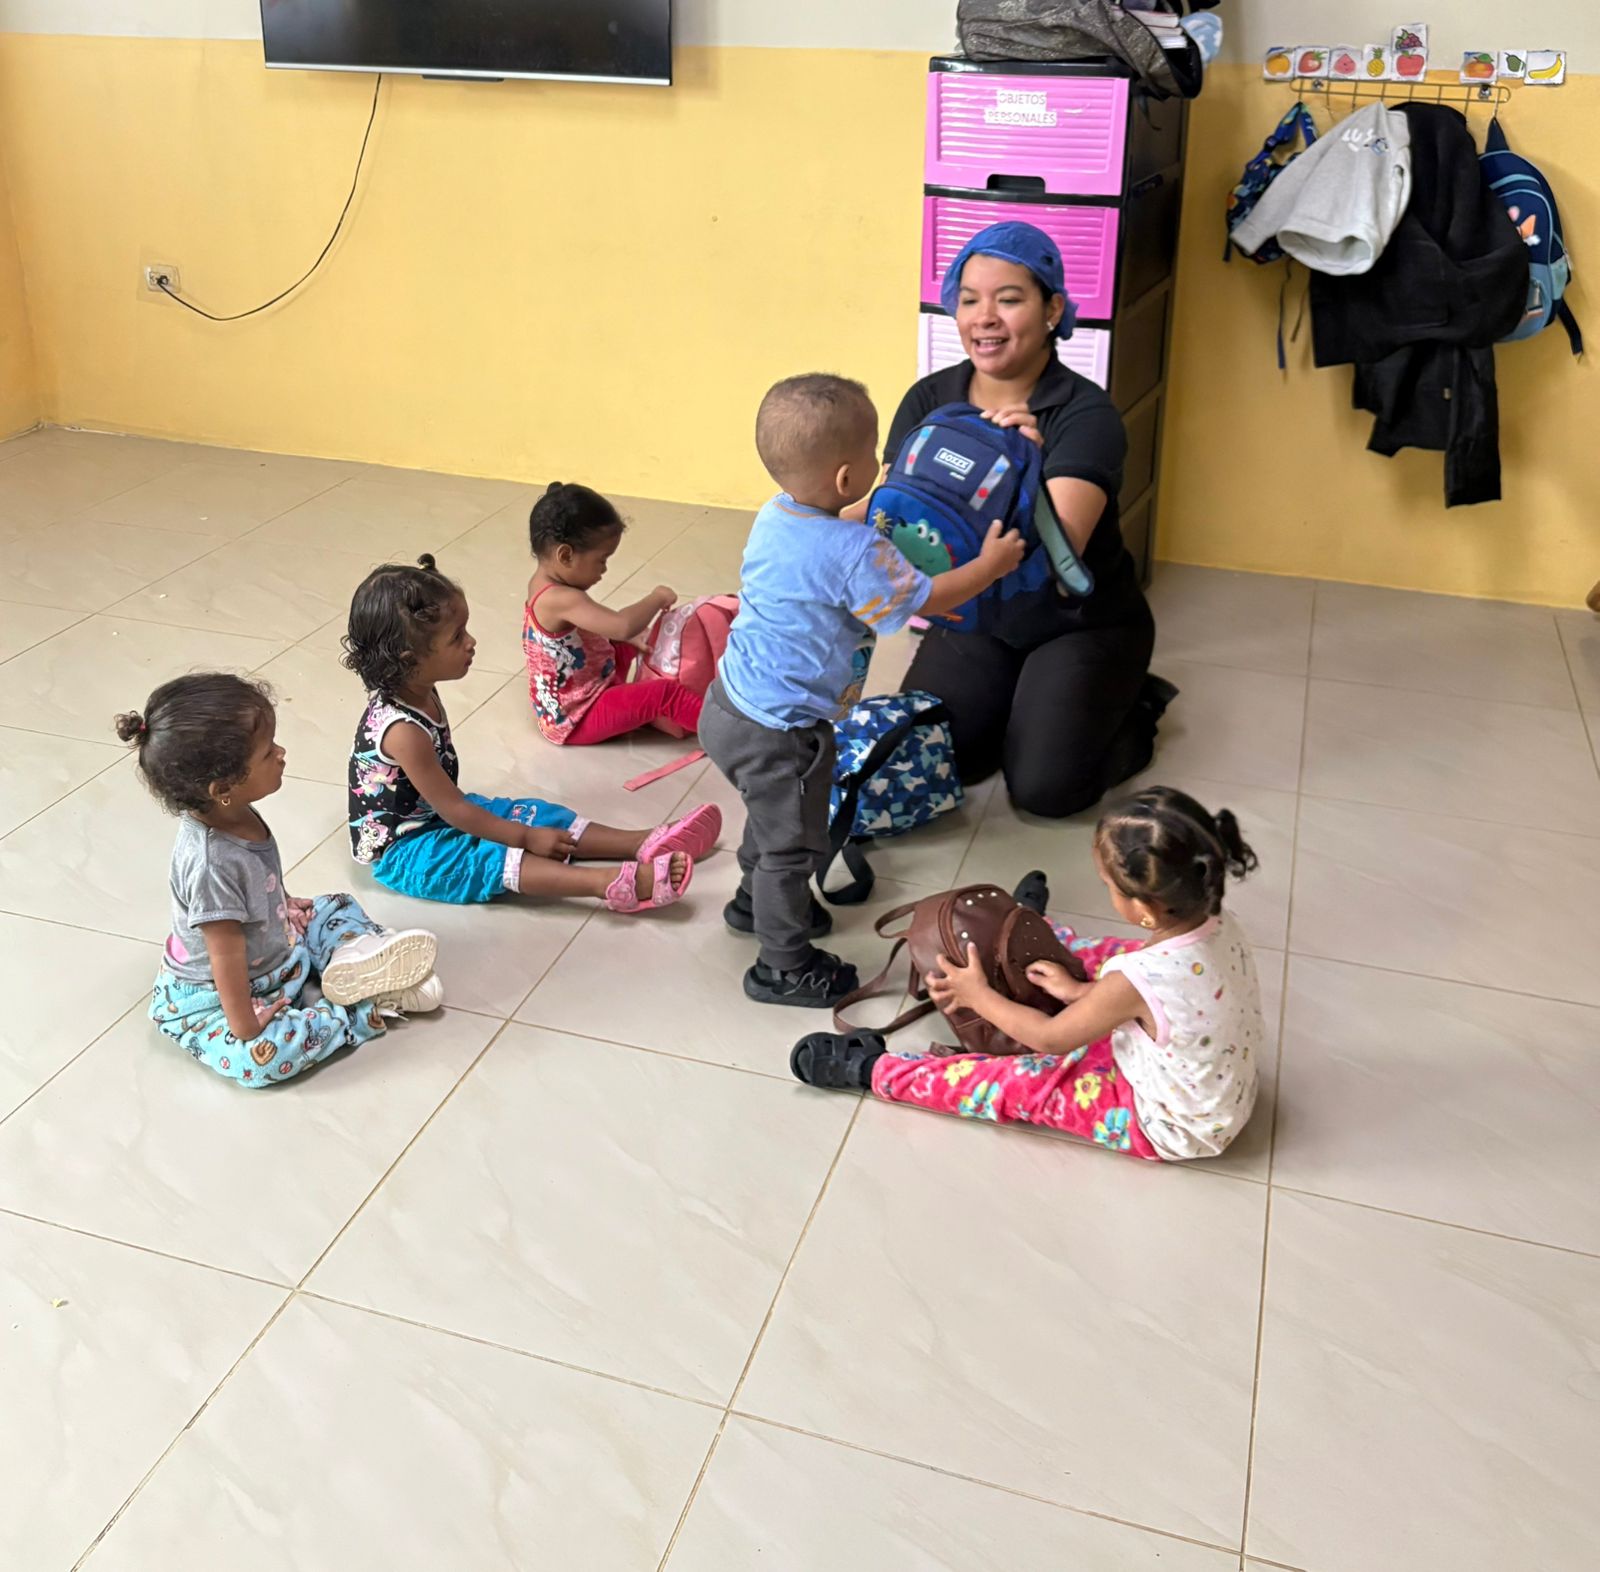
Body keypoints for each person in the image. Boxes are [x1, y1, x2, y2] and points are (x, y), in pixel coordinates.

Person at [701, 373, 1026, 1008]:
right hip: (782, 733)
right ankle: (782, 966)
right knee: (792, 847)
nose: (882, 464)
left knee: (772, 821)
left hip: (729, 706)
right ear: (847, 478)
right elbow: (925, 597)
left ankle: (751, 905)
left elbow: (841, 532)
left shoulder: (776, 514)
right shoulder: (857, 553)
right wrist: (990, 566)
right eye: (877, 455)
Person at [791, 787, 1262, 1162]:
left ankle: (876, 1070)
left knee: (1026, 1083)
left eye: (1108, 885)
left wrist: (978, 995)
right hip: (1219, 1097)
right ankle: (1022, 934)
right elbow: (1149, 989)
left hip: (1169, 1124)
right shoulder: (1216, 919)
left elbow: (1050, 1039)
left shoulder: (1135, 980)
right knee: (1111, 955)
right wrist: (1080, 991)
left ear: (1144, 907)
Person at [881, 220, 1176, 819]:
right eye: (969, 300)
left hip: (1078, 621)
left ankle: (1133, 704)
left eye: (1009, 299)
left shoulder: (1085, 414)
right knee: (946, 759)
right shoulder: (931, 401)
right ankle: (1021, 697)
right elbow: (893, 519)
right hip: (977, 614)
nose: (984, 318)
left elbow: (1057, 555)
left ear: (1052, 311)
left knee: (1045, 789)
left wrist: (1028, 471)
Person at [342, 555, 719, 912]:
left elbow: (453, 807)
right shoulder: (403, 732)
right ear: (410, 660)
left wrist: (524, 827)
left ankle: (642, 841)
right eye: (457, 637)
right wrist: (523, 838)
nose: (471, 641)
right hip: (405, 850)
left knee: (531, 814)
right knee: (492, 856)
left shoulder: (417, 688)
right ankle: (606, 883)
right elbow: (454, 809)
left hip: (434, 817)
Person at [119, 673, 444, 1088]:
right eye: (268, 752)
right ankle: (365, 1005)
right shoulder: (209, 864)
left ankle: (355, 958)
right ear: (223, 788)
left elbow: (260, 876)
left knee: (334, 905)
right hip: (221, 992)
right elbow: (224, 955)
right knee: (260, 1060)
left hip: (276, 953)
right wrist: (245, 1024)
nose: (281, 753)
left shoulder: (232, 811)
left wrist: (284, 903)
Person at [524, 482, 702, 745]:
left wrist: (626, 637)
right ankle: (730, 733)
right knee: (664, 695)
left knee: (637, 637)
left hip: (590, 681)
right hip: (579, 717)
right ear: (565, 555)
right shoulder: (560, 599)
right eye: (602, 560)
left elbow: (605, 629)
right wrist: (657, 598)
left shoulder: (542, 583)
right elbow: (621, 625)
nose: (604, 570)